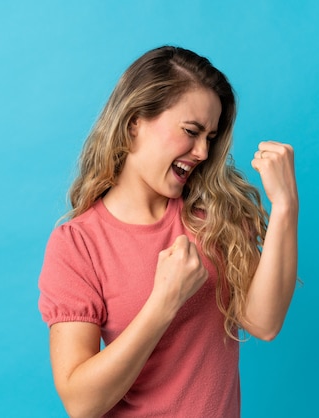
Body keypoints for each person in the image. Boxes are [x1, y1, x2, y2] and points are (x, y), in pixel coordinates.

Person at [38, 45, 299, 418]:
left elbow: (264, 321)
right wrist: (165, 301)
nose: (203, 152)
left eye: (210, 137)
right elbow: (82, 403)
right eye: (191, 132)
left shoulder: (213, 217)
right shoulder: (79, 244)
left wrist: (286, 207)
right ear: (134, 124)